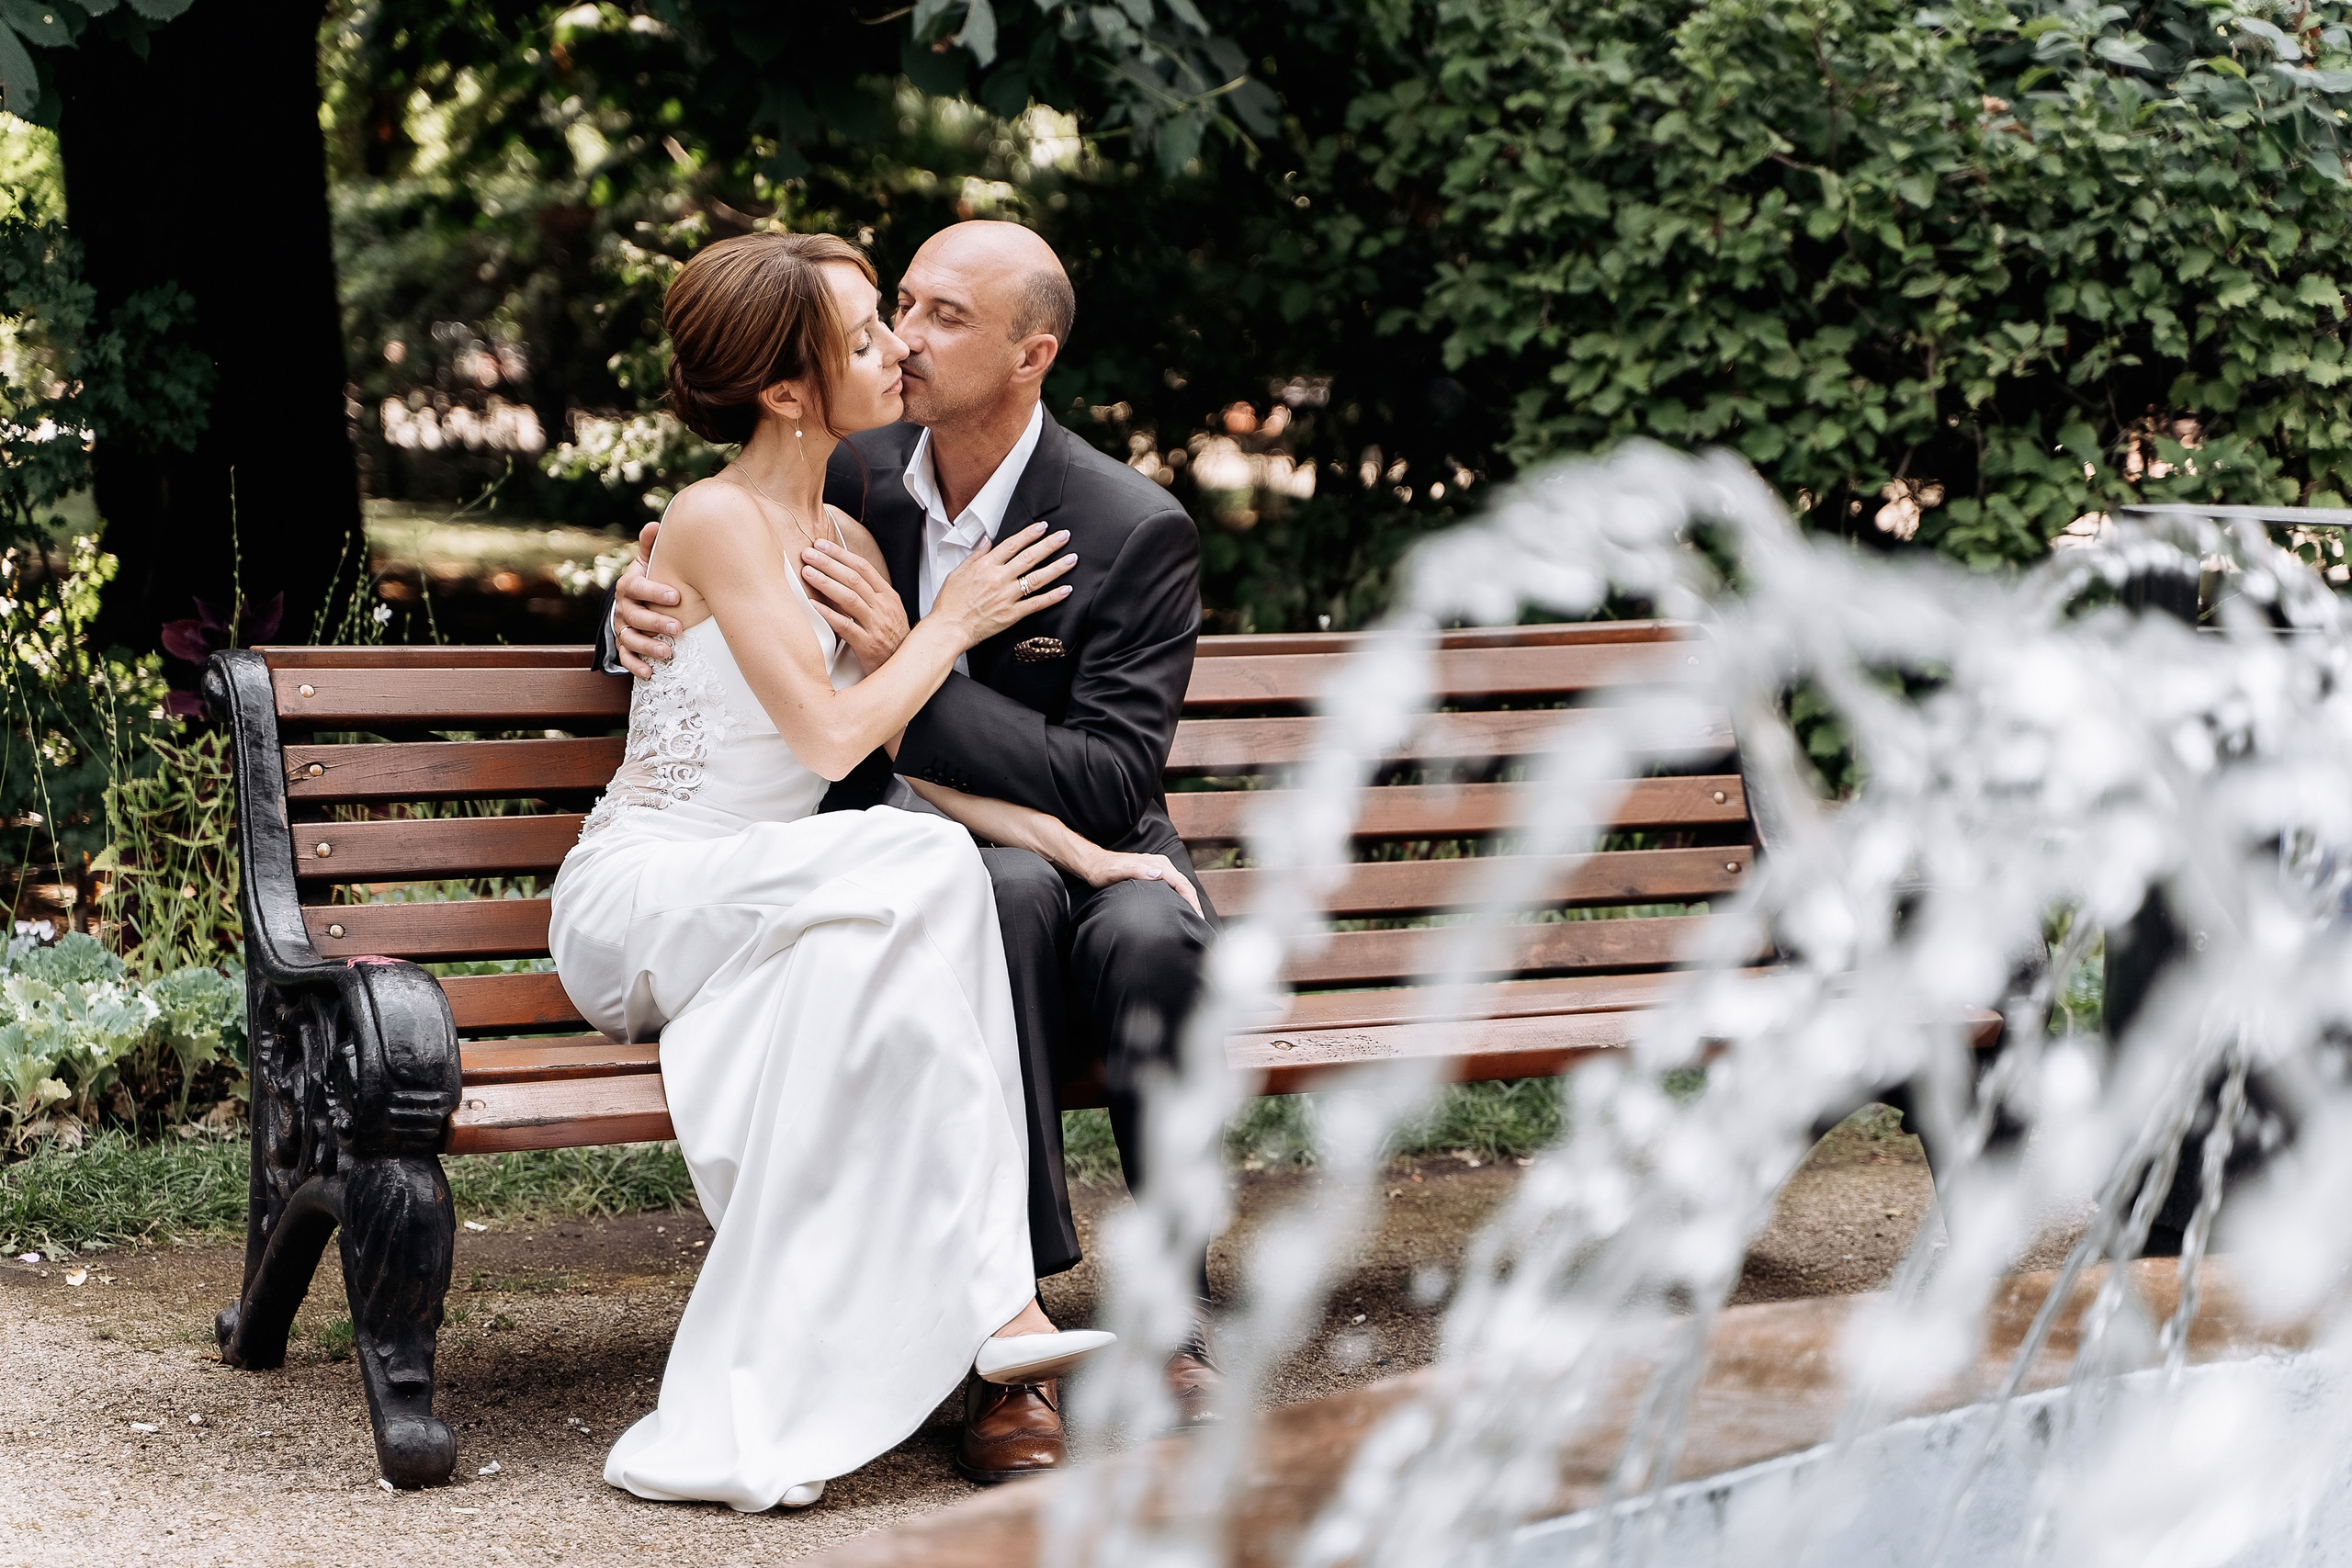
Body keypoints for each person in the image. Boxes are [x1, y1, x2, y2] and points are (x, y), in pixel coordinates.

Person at [551, 231, 1204, 1511]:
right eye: (876, 324)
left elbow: (920, 738)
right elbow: (831, 722)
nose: (897, 344)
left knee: (929, 893)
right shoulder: (798, 491)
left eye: (928, 318)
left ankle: (995, 1330)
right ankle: (1005, 1304)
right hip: (662, 889)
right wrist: (944, 627)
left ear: (1033, 354)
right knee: (928, 867)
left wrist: (1079, 848)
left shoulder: (864, 513)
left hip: (794, 872)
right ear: (795, 390)